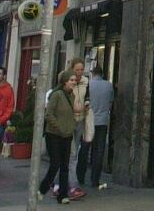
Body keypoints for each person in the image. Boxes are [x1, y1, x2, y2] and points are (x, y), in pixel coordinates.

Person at [38, 70, 77, 205]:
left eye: (74, 80)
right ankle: (43, 188)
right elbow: (49, 114)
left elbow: (71, 113)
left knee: (65, 165)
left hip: (67, 135)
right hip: (54, 135)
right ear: (65, 81)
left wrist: (71, 127)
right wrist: (59, 127)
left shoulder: (71, 95)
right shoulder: (57, 95)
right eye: (71, 80)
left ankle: (63, 195)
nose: (74, 82)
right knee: (55, 163)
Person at [65, 58, 89, 200]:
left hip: (80, 120)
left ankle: (56, 183)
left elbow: (88, 96)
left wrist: (87, 104)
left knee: (72, 153)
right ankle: (73, 186)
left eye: (82, 69)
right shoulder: (67, 81)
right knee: (72, 154)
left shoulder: (86, 81)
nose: (80, 72)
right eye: (77, 69)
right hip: (69, 121)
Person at [86, 65, 113, 189]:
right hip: (102, 121)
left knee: (85, 147)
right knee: (99, 150)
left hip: (89, 120)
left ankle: (81, 175)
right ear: (102, 73)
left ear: (93, 73)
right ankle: (95, 179)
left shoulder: (89, 85)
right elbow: (111, 102)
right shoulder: (108, 85)